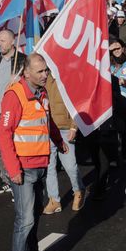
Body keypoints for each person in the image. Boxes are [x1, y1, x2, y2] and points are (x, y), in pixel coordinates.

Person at [0, 53, 67, 251]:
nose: (45, 74)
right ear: (26, 73)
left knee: (35, 215)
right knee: (24, 219)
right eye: (40, 71)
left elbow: (47, 121)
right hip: (23, 169)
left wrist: (58, 140)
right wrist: (13, 169)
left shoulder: (42, 92)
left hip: (40, 164)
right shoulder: (15, 95)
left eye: (46, 70)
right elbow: (3, 135)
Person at [0, 29, 24, 195]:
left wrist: (20, 81)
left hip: (11, 113)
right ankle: (6, 180)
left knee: (14, 149)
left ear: (12, 42)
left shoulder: (22, 60)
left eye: (3, 40)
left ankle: (19, 182)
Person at [42, 71, 84, 214]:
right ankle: (54, 200)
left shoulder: (67, 75)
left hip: (65, 128)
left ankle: (78, 190)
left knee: (70, 165)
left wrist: (74, 126)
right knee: (49, 165)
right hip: (47, 128)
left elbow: (76, 102)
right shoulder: (43, 77)